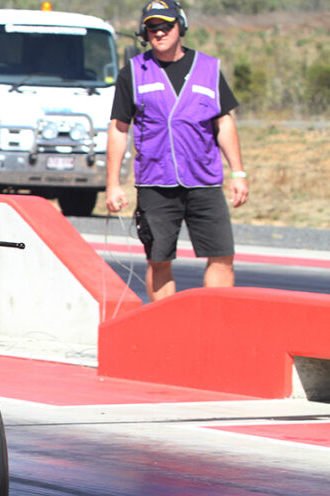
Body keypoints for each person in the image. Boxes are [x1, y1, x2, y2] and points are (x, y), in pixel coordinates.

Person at [105, 0, 248, 302]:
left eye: (165, 25)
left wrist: (238, 172)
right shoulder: (133, 72)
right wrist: (113, 183)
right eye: (152, 27)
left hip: (204, 181)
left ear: (180, 26)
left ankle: (215, 324)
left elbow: (224, 123)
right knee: (158, 260)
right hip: (155, 182)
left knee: (222, 256)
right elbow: (119, 129)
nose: (159, 32)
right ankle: (167, 329)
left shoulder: (208, 68)